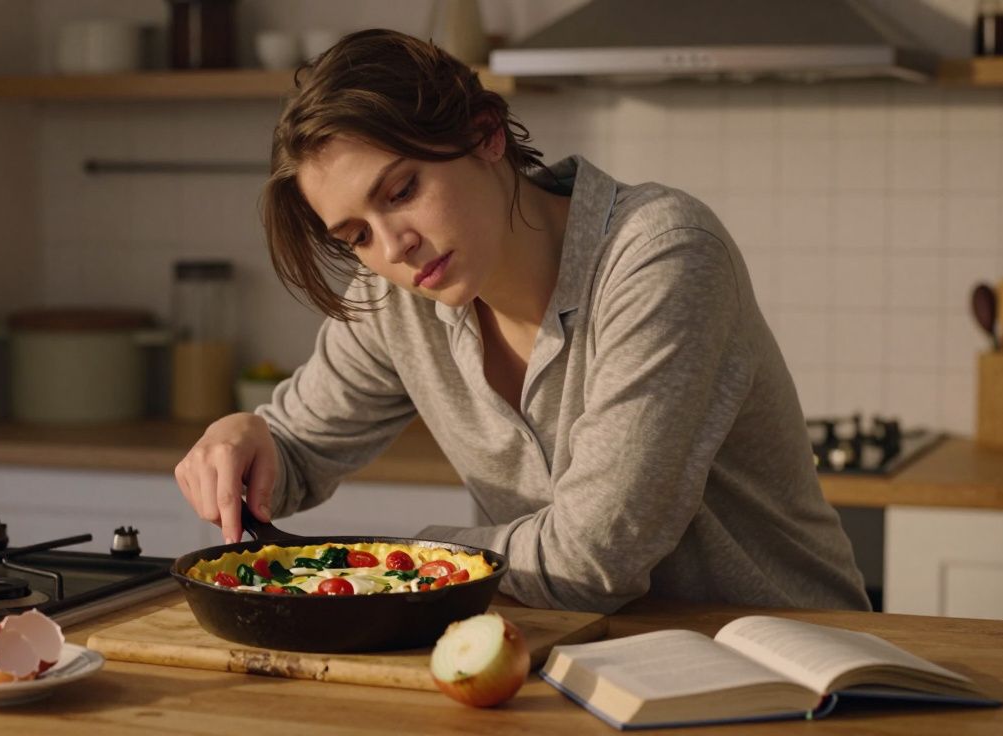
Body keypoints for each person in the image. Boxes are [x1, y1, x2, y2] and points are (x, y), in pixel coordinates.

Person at [174, 28, 870, 614]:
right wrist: (246, 439)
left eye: (403, 190)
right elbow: (294, 452)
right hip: (577, 661)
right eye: (356, 235)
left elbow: (592, 559)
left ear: (486, 135)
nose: (392, 248)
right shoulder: (398, 294)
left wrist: (399, 564)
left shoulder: (661, 254)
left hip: (795, 667)